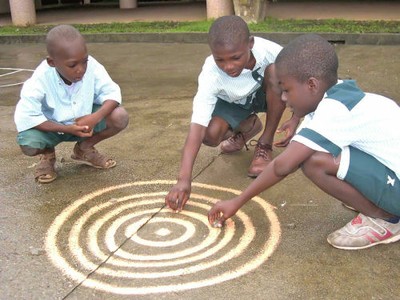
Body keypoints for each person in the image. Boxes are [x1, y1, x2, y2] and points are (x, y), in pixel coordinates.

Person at [208, 34, 400, 250]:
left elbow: (283, 166)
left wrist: (237, 201)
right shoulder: (340, 94)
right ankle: (374, 199)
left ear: (311, 85)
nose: (282, 98)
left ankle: (386, 218)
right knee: (323, 150)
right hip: (391, 169)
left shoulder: (334, 111)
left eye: (286, 90)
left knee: (313, 160)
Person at [165, 15, 298, 212]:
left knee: (276, 71)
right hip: (234, 102)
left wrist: (295, 118)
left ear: (250, 44)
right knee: (209, 136)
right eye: (220, 59)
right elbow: (197, 127)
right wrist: (183, 179)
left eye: (236, 57)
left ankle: (264, 144)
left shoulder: (269, 51)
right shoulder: (210, 72)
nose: (229, 66)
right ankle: (249, 126)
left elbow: (301, 81)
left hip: (266, 95)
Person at [14, 24, 129, 183]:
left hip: (85, 123)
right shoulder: (39, 79)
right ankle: (47, 156)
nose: (81, 69)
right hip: (52, 127)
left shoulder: (92, 66)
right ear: (52, 62)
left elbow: (113, 93)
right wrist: (66, 128)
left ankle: (84, 149)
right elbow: (27, 116)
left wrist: (95, 117)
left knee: (120, 116)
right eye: (72, 65)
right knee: (29, 143)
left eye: (84, 61)